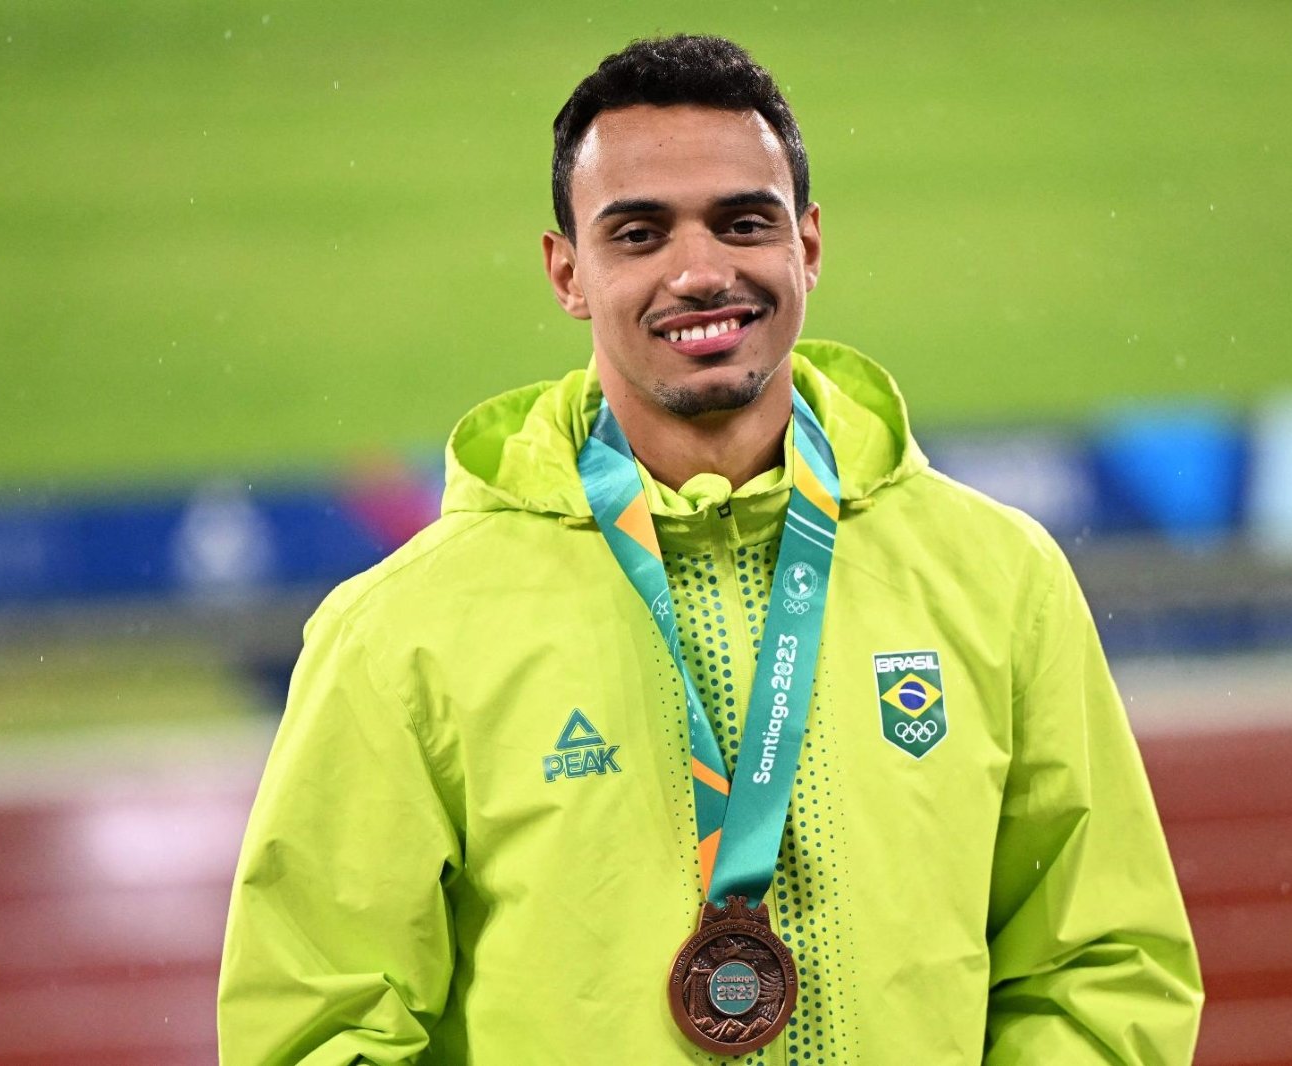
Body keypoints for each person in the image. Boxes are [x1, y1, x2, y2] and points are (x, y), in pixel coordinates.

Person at [218, 34, 1203, 1064]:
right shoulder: (402, 632)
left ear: (807, 246)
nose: (699, 273)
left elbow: (1100, 961)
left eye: (742, 224)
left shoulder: (999, 579)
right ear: (567, 270)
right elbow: (319, 1026)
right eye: (639, 234)